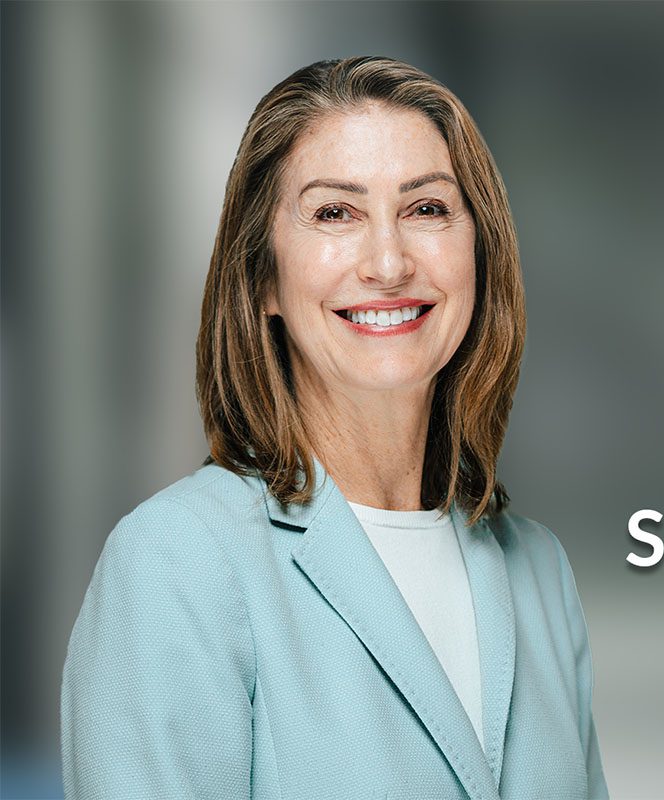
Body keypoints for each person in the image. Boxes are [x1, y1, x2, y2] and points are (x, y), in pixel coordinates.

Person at [60, 56, 608, 800]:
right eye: (334, 213)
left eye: (426, 209)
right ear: (262, 281)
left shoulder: (539, 573)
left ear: (480, 251)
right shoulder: (175, 567)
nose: (388, 262)